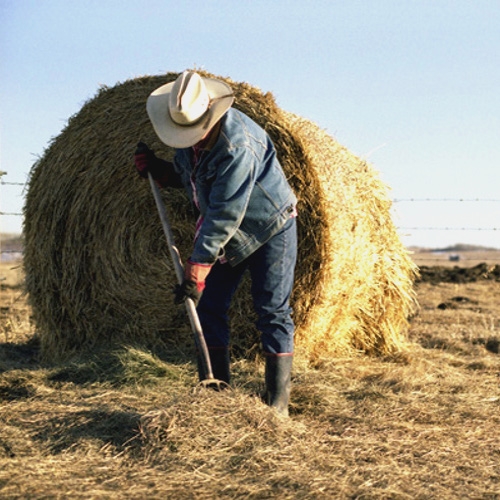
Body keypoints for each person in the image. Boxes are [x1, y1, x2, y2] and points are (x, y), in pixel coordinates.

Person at [134, 70, 297, 416]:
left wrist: (197, 268)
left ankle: (277, 405)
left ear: (210, 115)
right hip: (225, 232)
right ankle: (217, 392)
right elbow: (191, 179)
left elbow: (225, 211)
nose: (187, 138)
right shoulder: (190, 140)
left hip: (269, 228)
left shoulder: (237, 145)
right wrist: (160, 170)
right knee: (209, 307)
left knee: (272, 311)